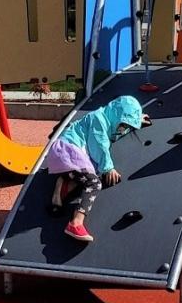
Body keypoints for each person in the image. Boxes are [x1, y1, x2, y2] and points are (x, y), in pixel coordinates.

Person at [46, 95, 150, 242]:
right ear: (116, 116)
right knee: (94, 183)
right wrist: (109, 168)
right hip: (68, 151)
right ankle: (75, 223)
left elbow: (115, 134)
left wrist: (137, 120)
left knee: (86, 177)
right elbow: (99, 145)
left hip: (68, 155)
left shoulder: (108, 121)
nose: (124, 129)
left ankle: (64, 186)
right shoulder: (98, 119)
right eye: (124, 124)